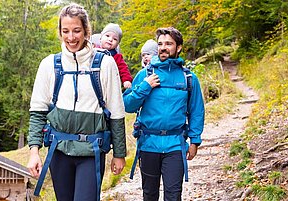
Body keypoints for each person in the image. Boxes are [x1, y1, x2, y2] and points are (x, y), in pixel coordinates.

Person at [27, 3, 126, 201]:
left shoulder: (104, 64)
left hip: (91, 151)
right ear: (60, 32)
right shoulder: (49, 65)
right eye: (65, 31)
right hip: (59, 150)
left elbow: (116, 111)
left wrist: (119, 153)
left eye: (76, 30)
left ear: (87, 31)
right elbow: (38, 111)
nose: (71, 37)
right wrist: (34, 151)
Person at [123, 27, 205, 201]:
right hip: (148, 144)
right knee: (150, 195)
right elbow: (127, 105)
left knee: (173, 195)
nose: (163, 47)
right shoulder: (145, 75)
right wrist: (145, 86)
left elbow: (197, 111)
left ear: (179, 47)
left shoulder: (188, 78)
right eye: (160, 44)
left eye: (168, 43)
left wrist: (195, 141)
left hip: (175, 144)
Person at [100, 23, 133, 89]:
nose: (110, 39)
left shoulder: (116, 57)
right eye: (107, 36)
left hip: (110, 85)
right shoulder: (93, 52)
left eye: (115, 39)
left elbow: (123, 69)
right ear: (101, 38)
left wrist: (126, 80)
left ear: (117, 44)